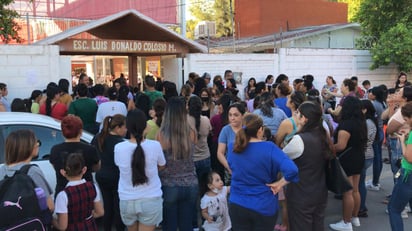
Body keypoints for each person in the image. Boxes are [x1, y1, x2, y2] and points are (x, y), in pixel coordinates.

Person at [227, 113, 299, 230]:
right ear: (260, 130)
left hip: (237, 203)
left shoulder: (232, 147)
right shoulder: (269, 148)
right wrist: (280, 184)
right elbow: (292, 169)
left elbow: (231, 167)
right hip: (263, 205)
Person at [115, 109, 166, 231]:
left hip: (127, 199)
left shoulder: (119, 148)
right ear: (144, 125)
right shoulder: (155, 146)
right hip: (151, 198)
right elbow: (162, 165)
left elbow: (120, 167)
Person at [282, 102, 330, 231]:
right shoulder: (323, 134)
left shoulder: (299, 139)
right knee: (318, 224)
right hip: (320, 189)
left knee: (300, 225)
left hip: (301, 192)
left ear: (304, 119)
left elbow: (282, 158)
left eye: (298, 113)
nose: (295, 115)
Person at [157, 96, 198, 231]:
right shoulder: (192, 132)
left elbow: (159, 161)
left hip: (169, 184)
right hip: (190, 183)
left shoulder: (162, 135)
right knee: (187, 225)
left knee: (169, 226)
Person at [329, 96, 367, 231]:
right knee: (355, 190)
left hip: (347, 159)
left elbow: (340, 145)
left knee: (347, 192)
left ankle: (346, 222)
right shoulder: (361, 122)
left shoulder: (346, 124)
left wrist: (328, 147)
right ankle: (355, 218)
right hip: (359, 156)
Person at [0, 130, 54, 219]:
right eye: (36, 142)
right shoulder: (32, 171)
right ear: (27, 147)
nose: (38, 145)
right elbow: (50, 206)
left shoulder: (2, 170)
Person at [91, 114, 127, 231]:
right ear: (117, 128)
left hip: (101, 176)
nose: (126, 130)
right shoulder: (120, 143)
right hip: (116, 177)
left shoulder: (98, 137)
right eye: (125, 127)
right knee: (118, 208)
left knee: (107, 206)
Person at [49, 115, 101, 195]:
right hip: (86, 192)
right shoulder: (90, 149)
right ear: (80, 131)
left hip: (63, 191)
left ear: (63, 132)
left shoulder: (55, 150)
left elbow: (55, 167)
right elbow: (97, 167)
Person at [52, 153, 103, 231]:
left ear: (63, 172)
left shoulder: (63, 195)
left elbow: (62, 226)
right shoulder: (93, 187)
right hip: (90, 226)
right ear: (84, 170)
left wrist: (52, 220)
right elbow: (100, 212)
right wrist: (87, 216)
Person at [388, 101, 412, 231]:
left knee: (394, 209)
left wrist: (403, 141)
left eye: (406, 119)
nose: (405, 121)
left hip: (408, 174)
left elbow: (409, 157)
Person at [217, 103, 246, 183]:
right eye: (230, 115)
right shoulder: (225, 130)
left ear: (242, 115)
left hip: (246, 169)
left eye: (236, 115)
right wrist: (228, 167)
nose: (232, 118)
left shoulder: (247, 130)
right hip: (230, 171)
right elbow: (220, 152)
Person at [358, 100, 378, 218]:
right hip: (368, 155)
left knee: (360, 184)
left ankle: (361, 207)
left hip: (364, 155)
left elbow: (363, 140)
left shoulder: (367, 123)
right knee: (360, 182)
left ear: (365, 110)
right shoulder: (371, 122)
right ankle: (361, 206)